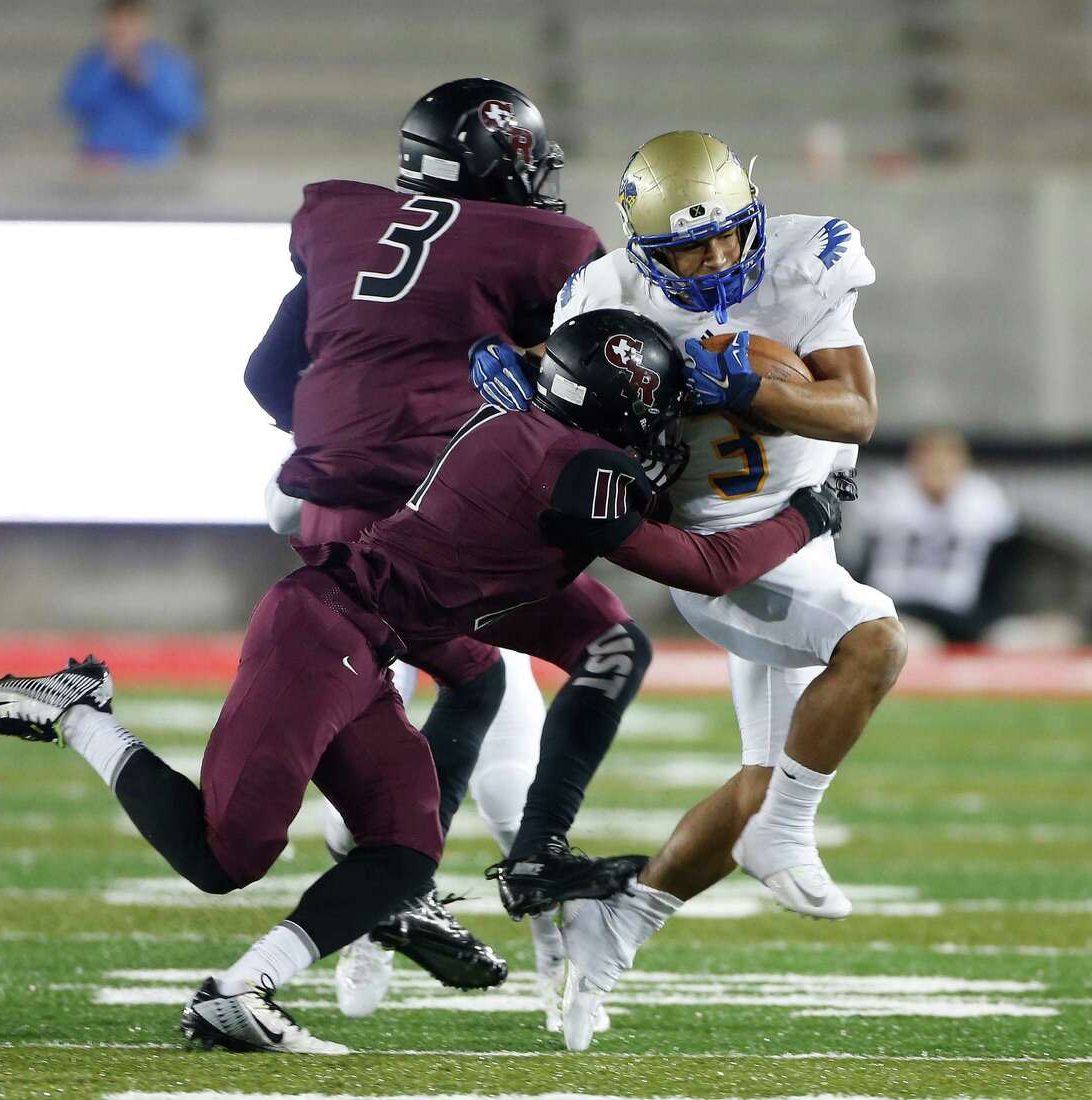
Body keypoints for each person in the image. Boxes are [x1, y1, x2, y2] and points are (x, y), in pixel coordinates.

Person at [0, 308, 842, 1055]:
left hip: (368, 643)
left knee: (404, 849)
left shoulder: (540, 435)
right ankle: (79, 716)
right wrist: (808, 512)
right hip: (324, 631)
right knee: (226, 855)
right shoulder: (574, 462)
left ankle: (243, 989)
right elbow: (709, 563)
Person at [471, 131, 907, 1050]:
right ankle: (786, 831)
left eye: (726, 239)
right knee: (874, 641)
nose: (714, 261)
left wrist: (754, 384)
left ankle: (621, 925)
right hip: (720, 549)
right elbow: (565, 389)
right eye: (686, 248)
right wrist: (518, 377)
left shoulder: (802, 259)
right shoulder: (606, 292)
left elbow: (857, 412)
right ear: (639, 247)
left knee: (762, 777)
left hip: (804, 529)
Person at [246, 76, 607, 1029]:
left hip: (317, 498)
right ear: (501, 161)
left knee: (431, 690)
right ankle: (407, 873)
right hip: (427, 518)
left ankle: (389, 868)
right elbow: (578, 396)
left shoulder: (344, 224)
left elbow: (263, 373)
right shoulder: (543, 247)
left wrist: (338, 439)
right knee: (526, 674)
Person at [857, 428, 1018, 644]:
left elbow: (1001, 571)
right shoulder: (888, 498)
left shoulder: (983, 502)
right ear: (914, 465)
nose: (938, 471)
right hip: (899, 609)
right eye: (931, 464)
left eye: (946, 465)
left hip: (961, 615)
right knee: (907, 639)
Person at [60, 0, 202, 164]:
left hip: (152, 165)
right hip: (102, 163)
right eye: (117, 20)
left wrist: (148, 83)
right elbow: (72, 107)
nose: (124, 28)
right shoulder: (92, 63)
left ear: (145, 24)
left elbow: (185, 116)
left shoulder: (167, 65)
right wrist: (106, 70)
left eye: (131, 20)